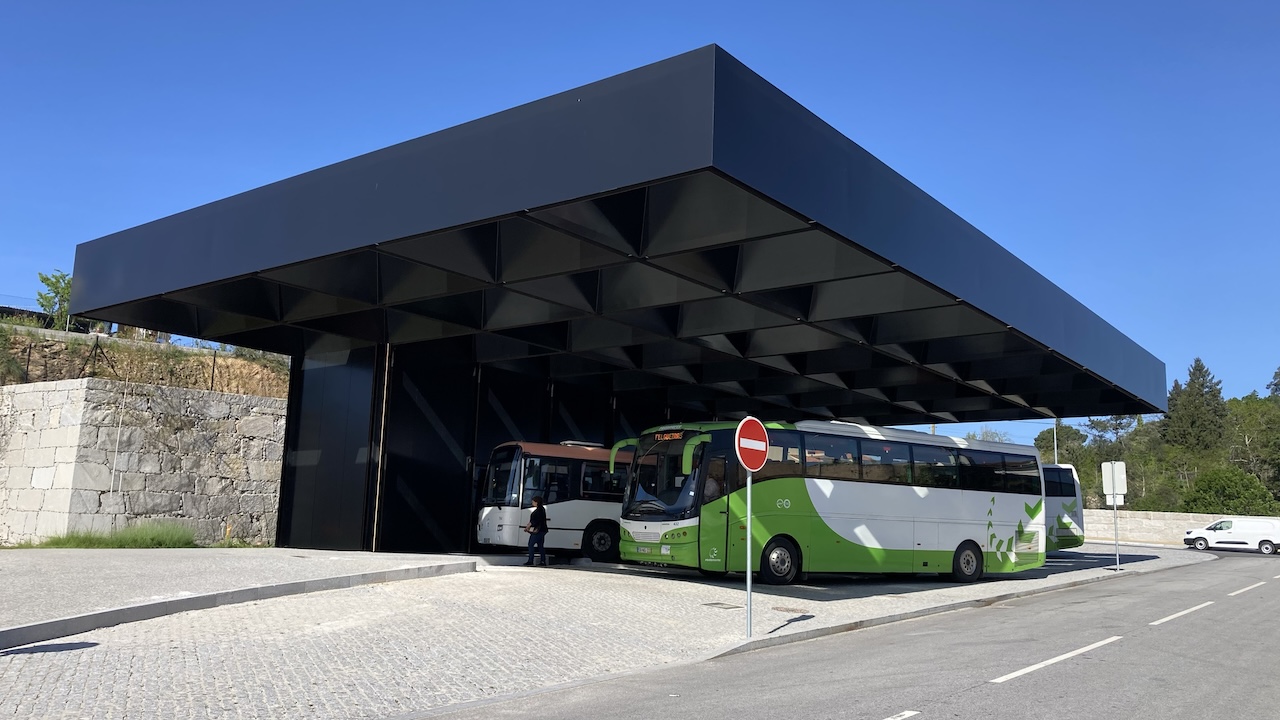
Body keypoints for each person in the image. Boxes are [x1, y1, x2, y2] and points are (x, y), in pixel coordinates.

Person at [523, 496, 549, 567]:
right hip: (542, 530)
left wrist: (527, 527)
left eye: (533, 501)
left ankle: (530, 560)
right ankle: (543, 561)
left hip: (538, 530)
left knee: (530, 544)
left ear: (536, 502)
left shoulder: (539, 510)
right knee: (540, 546)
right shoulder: (541, 509)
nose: (532, 502)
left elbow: (535, 521)